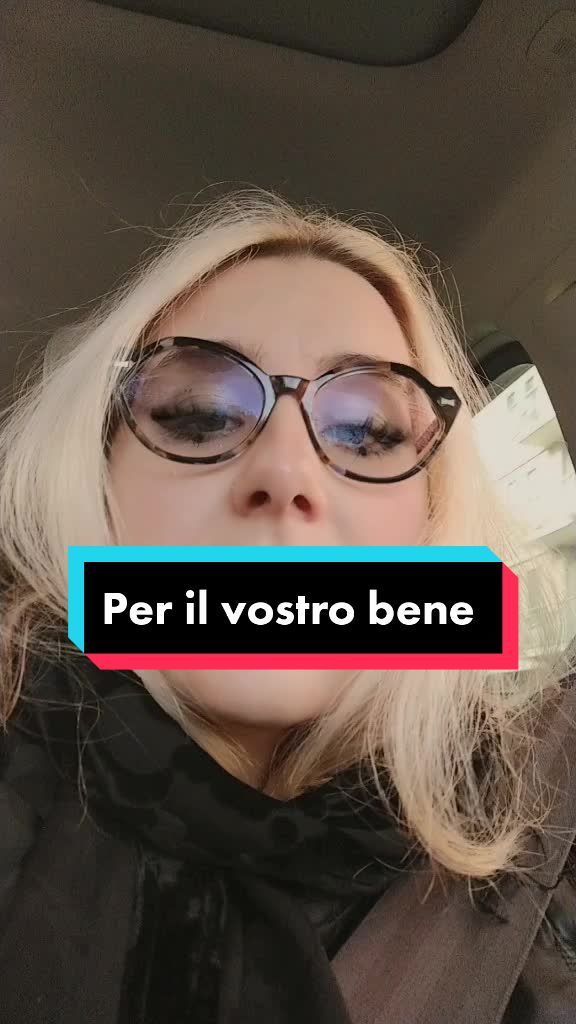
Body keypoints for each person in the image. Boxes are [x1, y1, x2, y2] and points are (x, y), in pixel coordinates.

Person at [0, 190, 574, 1024]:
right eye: (198, 415)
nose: (286, 470)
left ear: (432, 525)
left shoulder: (534, 885)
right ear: (93, 482)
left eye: (368, 431)